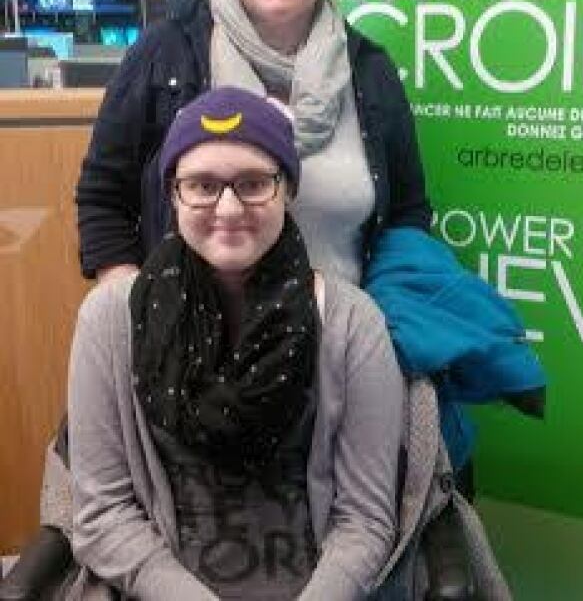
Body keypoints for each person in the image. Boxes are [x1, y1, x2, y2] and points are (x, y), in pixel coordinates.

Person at [67, 88, 405, 600]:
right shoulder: (110, 321)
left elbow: (365, 521)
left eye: (252, 184)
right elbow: (102, 514)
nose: (228, 208)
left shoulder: (352, 324)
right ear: (173, 194)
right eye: (202, 185)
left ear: (286, 189)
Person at [75, 0, 430, 289]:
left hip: (337, 341)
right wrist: (132, 306)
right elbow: (103, 198)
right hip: (192, 345)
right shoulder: (164, 54)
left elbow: (408, 214)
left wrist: (375, 324)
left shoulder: (370, 70)